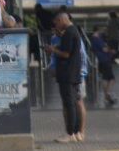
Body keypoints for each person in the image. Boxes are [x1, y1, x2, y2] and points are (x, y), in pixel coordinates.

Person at [48, 12, 83, 143]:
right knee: (74, 103)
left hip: (67, 74)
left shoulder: (69, 32)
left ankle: (69, 133)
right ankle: (76, 132)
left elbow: (66, 54)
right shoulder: (74, 31)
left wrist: (52, 50)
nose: (56, 26)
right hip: (74, 73)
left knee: (69, 104)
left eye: (56, 23)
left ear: (61, 20)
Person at [90, 29, 117, 106]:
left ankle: (106, 98)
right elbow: (104, 49)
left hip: (100, 61)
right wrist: (111, 51)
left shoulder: (93, 40)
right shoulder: (97, 39)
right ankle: (107, 93)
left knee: (105, 78)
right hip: (105, 60)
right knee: (112, 79)